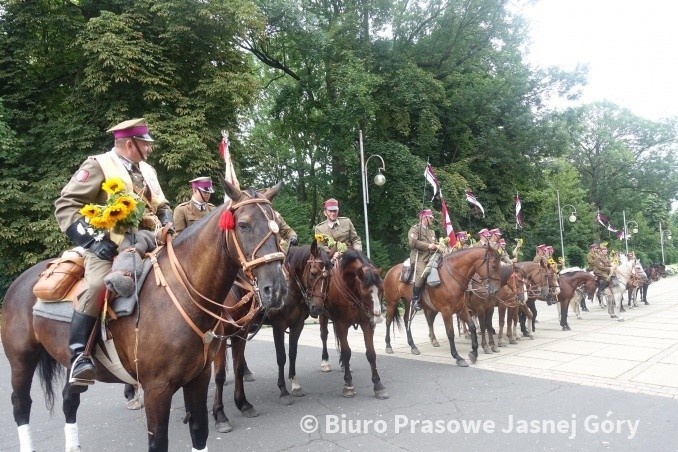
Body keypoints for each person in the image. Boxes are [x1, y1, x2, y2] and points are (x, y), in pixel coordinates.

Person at [55, 118, 172, 389]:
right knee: (97, 285)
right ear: (131, 144)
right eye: (146, 144)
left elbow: (161, 203)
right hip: (108, 244)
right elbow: (66, 205)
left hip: (151, 239)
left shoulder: (148, 171)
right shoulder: (98, 165)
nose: (150, 149)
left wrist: (166, 217)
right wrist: (93, 241)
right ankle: (79, 356)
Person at [408, 209, 441, 311]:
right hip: (420, 257)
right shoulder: (415, 229)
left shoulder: (431, 231)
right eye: (430, 218)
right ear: (424, 218)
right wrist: (429, 246)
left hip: (432, 256)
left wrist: (439, 246)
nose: (431, 219)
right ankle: (415, 299)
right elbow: (412, 243)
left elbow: (434, 242)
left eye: (431, 218)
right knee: (422, 273)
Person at [592, 245, 615, 316]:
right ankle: (600, 291)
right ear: (600, 252)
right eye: (604, 251)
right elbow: (601, 267)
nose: (605, 252)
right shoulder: (598, 258)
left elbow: (608, 264)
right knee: (607, 278)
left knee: (615, 276)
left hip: (605, 271)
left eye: (606, 251)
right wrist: (610, 268)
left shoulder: (605, 257)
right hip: (599, 271)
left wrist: (613, 266)